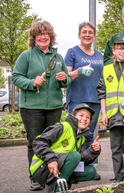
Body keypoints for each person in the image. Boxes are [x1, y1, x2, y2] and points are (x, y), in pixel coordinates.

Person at [12, 21, 71, 191]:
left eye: (46, 34)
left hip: (53, 106)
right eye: (40, 34)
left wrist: (64, 79)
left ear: (51, 37)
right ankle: (35, 177)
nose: (43, 36)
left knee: (51, 142)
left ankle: (50, 175)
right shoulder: (26, 56)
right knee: (35, 142)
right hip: (32, 107)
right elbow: (16, 77)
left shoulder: (57, 57)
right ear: (34, 37)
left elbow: (66, 79)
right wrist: (32, 82)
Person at [97, 37, 124, 183]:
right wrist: (104, 113)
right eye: (120, 48)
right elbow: (102, 93)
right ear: (114, 50)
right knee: (115, 147)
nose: (123, 51)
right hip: (112, 115)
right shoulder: (106, 69)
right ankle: (118, 176)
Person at [29, 104, 101, 193]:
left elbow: (79, 160)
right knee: (74, 155)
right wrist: (50, 159)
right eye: (81, 115)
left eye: (88, 117)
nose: (85, 119)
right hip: (42, 167)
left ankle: (61, 184)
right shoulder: (63, 127)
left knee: (91, 171)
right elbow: (38, 142)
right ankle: (57, 190)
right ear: (73, 116)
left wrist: (93, 151)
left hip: (59, 167)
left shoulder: (81, 137)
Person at [64, 22, 103, 150]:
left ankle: (87, 165)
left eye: (90, 32)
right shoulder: (72, 52)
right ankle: (74, 164)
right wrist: (79, 71)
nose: (87, 35)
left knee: (89, 134)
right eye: (84, 32)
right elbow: (65, 77)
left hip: (94, 100)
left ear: (94, 36)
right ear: (79, 35)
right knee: (75, 133)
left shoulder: (99, 55)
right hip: (77, 99)